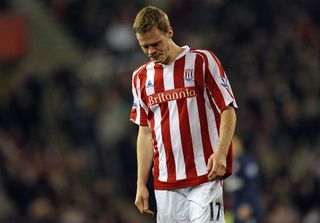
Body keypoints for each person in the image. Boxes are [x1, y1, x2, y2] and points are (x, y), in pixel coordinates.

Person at [129, 6, 237, 223]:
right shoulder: (140, 78)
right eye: (145, 46)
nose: (151, 51)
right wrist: (141, 183)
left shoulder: (202, 61)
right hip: (166, 185)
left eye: (155, 43)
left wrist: (222, 153)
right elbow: (145, 132)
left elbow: (228, 109)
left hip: (205, 178)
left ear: (169, 32)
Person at [225, 136, 261, 223]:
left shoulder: (247, 162)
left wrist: (247, 204)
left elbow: (253, 185)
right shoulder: (227, 162)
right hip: (232, 206)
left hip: (246, 205)